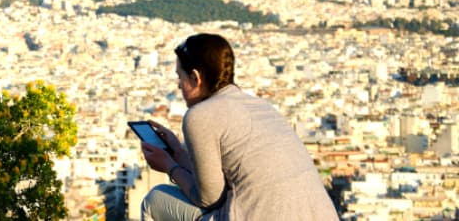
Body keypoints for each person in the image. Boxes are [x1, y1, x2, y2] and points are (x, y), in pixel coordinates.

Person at [140, 33, 338, 220]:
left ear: (195, 78)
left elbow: (208, 199)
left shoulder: (200, 115)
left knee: (154, 200)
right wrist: (178, 154)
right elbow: (220, 182)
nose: (178, 85)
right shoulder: (261, 107)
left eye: (180, 77)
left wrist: (169, 167)